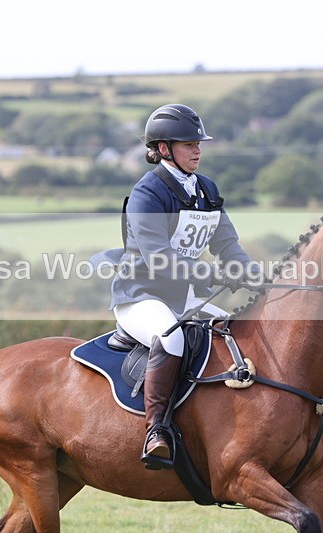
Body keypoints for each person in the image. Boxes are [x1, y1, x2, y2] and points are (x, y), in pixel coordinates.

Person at [108, 103, 261, 469]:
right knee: (171, 336)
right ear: (163, 149)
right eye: (188, 143)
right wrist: (209, 276)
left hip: (186, 297)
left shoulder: (206, 189)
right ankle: (156, 430)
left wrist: (253, 274)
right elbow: (158, 257)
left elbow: (226, 243)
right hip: (141, 296)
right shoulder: (148, 194)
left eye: (198, 143)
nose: (197, 150)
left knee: (236, 331)